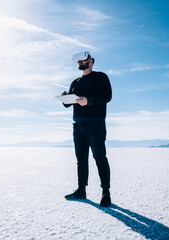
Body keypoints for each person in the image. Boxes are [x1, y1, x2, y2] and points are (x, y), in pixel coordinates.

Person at [61, 51, 112, 207]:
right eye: (77, 62)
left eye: (82, 61)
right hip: (78, 126)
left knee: (100, 158)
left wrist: (88, 101)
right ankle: (81, 190)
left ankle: (106, 193)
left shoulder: (100, 77)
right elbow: (68, 103)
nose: (79, 63)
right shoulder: (75, 82)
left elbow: (107, 96)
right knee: (81, 160)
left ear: (91, 61)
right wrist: (65, 98)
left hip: (95, 125)